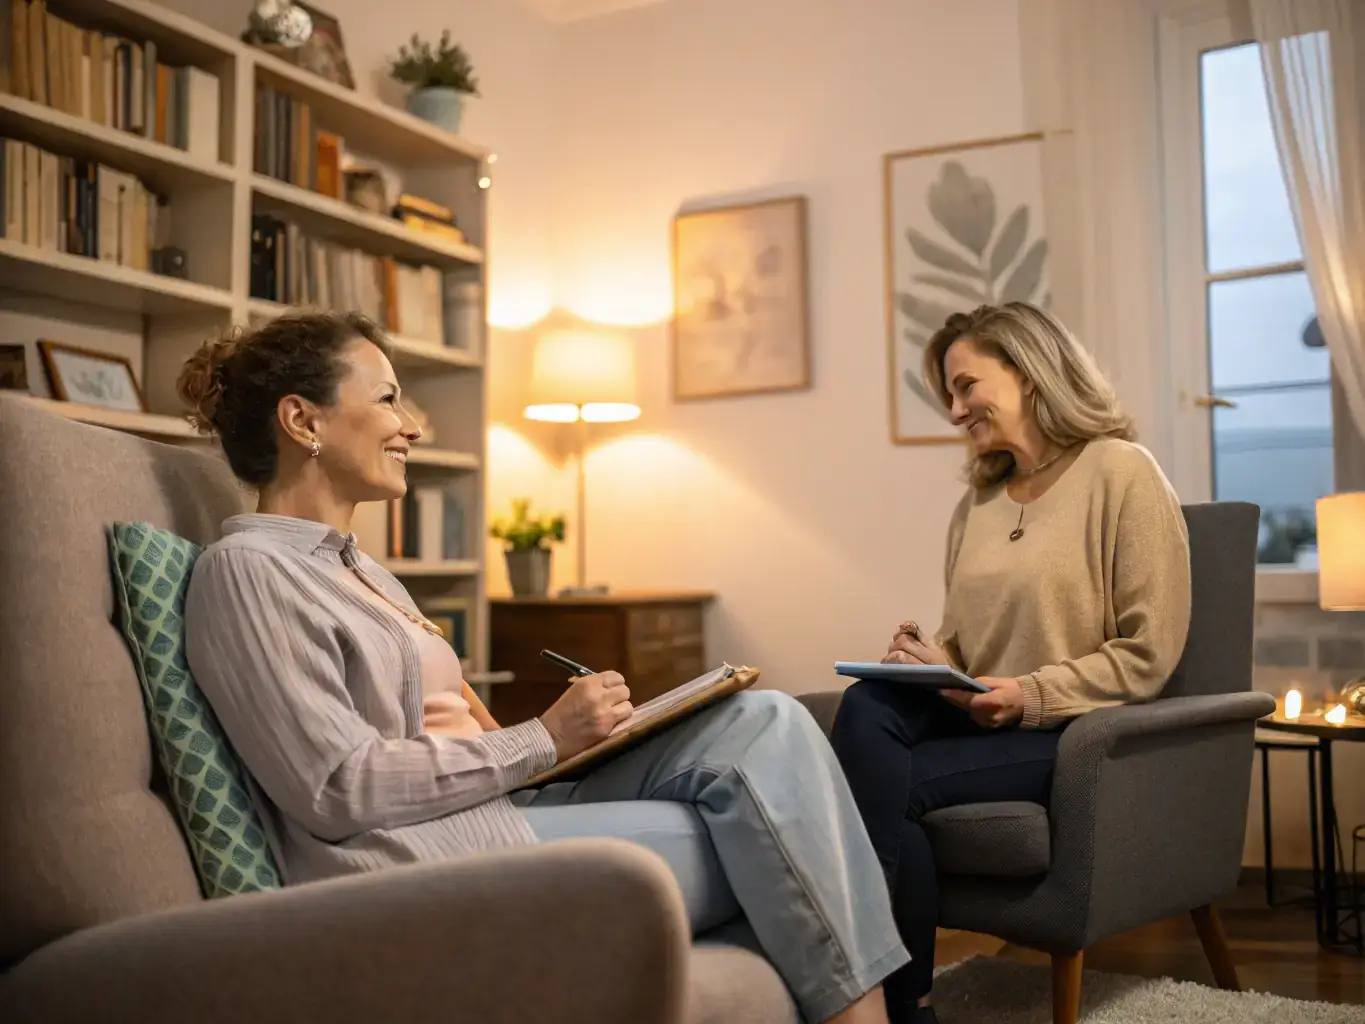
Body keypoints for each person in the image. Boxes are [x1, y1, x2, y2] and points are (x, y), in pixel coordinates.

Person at [177, 311, 908, 1024]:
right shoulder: (249, 570)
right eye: (389, 399)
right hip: (428, 861)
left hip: (504, 808)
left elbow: (473, 731)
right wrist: (545, 737)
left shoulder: (365, 572)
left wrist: (590, 738)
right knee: (775, 837)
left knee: (765, 719)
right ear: (301, 420)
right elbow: (337, 786)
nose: (413, 427)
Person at [828, 302, 1191, 1024]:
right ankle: (893, 998)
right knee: (867, 703)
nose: (955, 410)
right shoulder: (979, 501)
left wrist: (1030, 693)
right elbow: (969, 643)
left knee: (882, 788)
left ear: (1027, 371)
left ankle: (899, 1003)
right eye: (949, 395)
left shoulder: (1122, 473)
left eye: (966, 386)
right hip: (979, 716)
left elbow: (1149, 653)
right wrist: (931, 660)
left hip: (1070, 733)